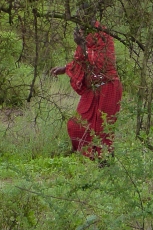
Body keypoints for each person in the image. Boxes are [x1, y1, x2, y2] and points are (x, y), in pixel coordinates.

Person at [51, 13, 122, 159]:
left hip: (108, 87)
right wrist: (65, 68)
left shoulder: (103, 34)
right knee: (76, 125)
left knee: (104, 130)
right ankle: (88, 156)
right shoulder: (84, 34)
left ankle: (105, 162)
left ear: (91, 16)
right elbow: (81, 60)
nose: (80, 21)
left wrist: (82, 45)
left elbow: (100, 63)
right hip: (92, 89)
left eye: (83, 18)